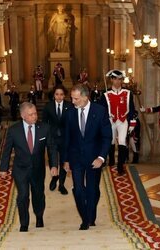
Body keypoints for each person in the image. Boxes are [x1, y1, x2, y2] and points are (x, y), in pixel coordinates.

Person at [0, 102, 58, 232]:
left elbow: (52, 148)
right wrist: (3, 168)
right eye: (31, 115)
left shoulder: (44, 128)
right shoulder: (14, 130)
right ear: (23, 116)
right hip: (20, 169)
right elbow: (7, 150)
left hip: (38, 169)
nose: (34, 117)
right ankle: (24, 223)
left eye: (35, 113)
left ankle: (39, 216)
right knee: (23, 195)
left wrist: (54, 165)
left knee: (38, 195)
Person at [63, 84, 112, 230]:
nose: (73, 101)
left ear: (85, 97)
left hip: (94, 159)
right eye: (72, 98)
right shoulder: (70, 113)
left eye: (76, 98)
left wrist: (101, 157)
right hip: (76, 158)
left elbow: (106, 137)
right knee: (78, 189)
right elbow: (67, 138)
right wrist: (65, 160)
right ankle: (85, 218)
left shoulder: (100, 111)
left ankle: (91, 216)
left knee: (93, 190)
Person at [100, 69, 135, 175]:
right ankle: (110, 161)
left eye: (120, 79)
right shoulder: (105, 94)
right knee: (110, 141)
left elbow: (132, 108)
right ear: (111, 80)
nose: (118, 82)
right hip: (111, 121)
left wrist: (132, 122)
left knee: (122, 141)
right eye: (115, 79)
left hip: (123, 121)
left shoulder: (128, 93)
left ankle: (120, 166)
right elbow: (102, 109)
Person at [42, 85, 72, 195]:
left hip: (65, 138)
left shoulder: (69, 106)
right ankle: (54, 177)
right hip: (52, 138)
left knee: (64, 160)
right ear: (54, 95)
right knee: (52, 159)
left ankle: (62, 185)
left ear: (64, 95)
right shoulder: (48, 106)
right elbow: (44, 123)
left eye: (61, 94)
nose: (59, 96)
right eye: (57, 94)